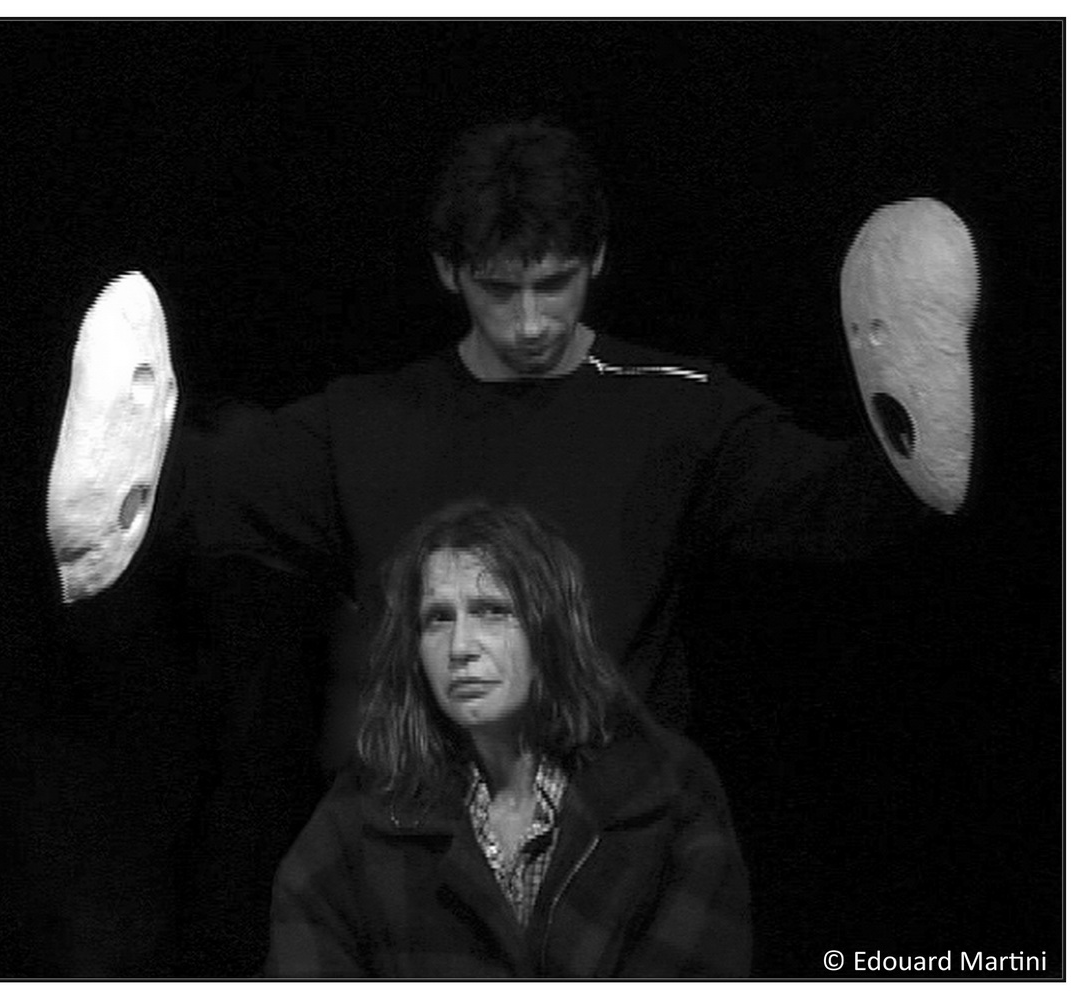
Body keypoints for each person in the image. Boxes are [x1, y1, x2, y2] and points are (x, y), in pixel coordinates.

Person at [45, 118, 942, 975]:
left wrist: (918, 412)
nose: (530, 321)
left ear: (597, 257)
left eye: (555, 283)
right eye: (498, 289)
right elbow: (190, 496)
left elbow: (841, 505)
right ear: (448, 271)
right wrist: (113, 470)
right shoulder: (368, 426)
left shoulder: (676, 408)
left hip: (618, 844)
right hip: (422, 850)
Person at [264, 501, 751, 978]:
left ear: (552, 630)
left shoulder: (664, 792)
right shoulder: (367, 810)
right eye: (438, 618)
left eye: (492, 611)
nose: (460, 648)